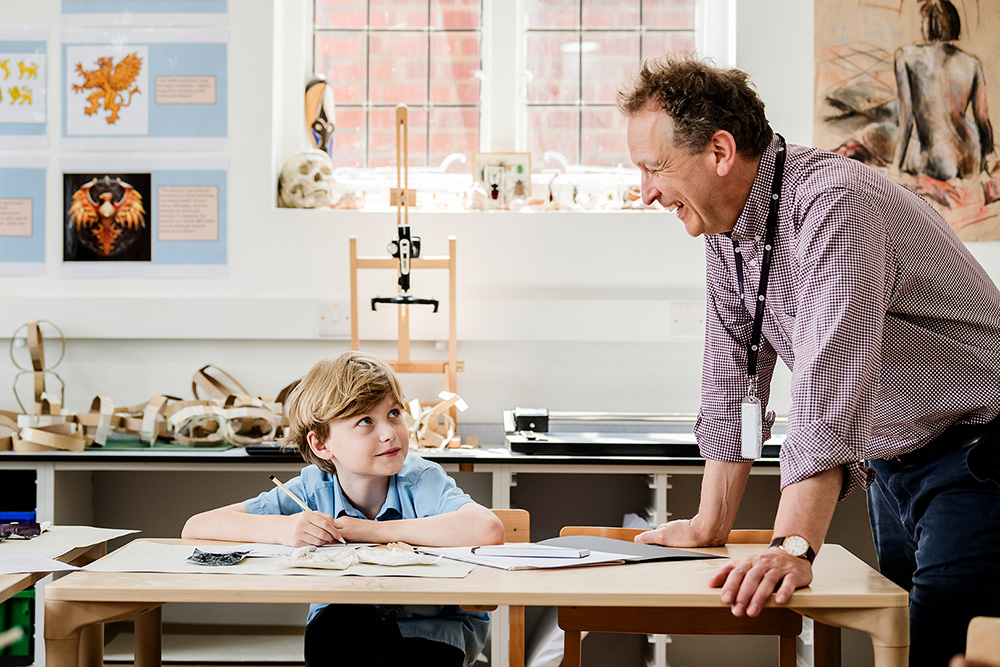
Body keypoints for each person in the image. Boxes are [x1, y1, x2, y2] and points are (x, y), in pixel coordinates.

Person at [619, 54, 1000, 666]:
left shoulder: (835, 203)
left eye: (654, 169)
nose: (646, 193)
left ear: (719, 152)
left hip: (978, 454)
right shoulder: (730, 229)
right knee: (903, 642)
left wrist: (792, 546)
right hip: (895, 460)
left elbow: (831, 382)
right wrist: (708, 524)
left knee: (948, 648)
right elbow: (731, 377)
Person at [182, 351, 505, 667]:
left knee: (361, 638)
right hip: (344, 630)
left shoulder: (421, 478)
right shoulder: (310, 488)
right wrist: (282, 528)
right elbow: (197, 526)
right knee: (343, 621)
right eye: (365, 421)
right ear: (321, 444)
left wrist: (370, 531)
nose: (389, 432)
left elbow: (486, 529)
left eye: (394, 413)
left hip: (430, 632)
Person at [893, 0, 994, 182]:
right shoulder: (972, 63)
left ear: (925, 23)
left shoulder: (905, 57)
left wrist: (895, 167)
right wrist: (985, 162)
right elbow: (982, 121)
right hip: (969, 156)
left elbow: (906, 119)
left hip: (933, 159)